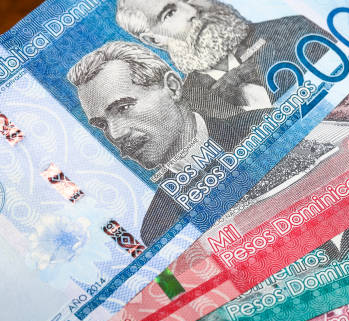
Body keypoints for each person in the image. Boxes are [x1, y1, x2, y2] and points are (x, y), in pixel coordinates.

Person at [68, 41, 269, 246]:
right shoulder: (158, 228)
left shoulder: (266, 124)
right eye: (102, 124)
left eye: (123, 107)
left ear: (172, 88)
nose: (116, 133)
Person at [115, 0, 333, 112]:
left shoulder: (299, 29)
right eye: (170, 13)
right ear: (154, 40)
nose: (194, 11)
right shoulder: (187, 108)